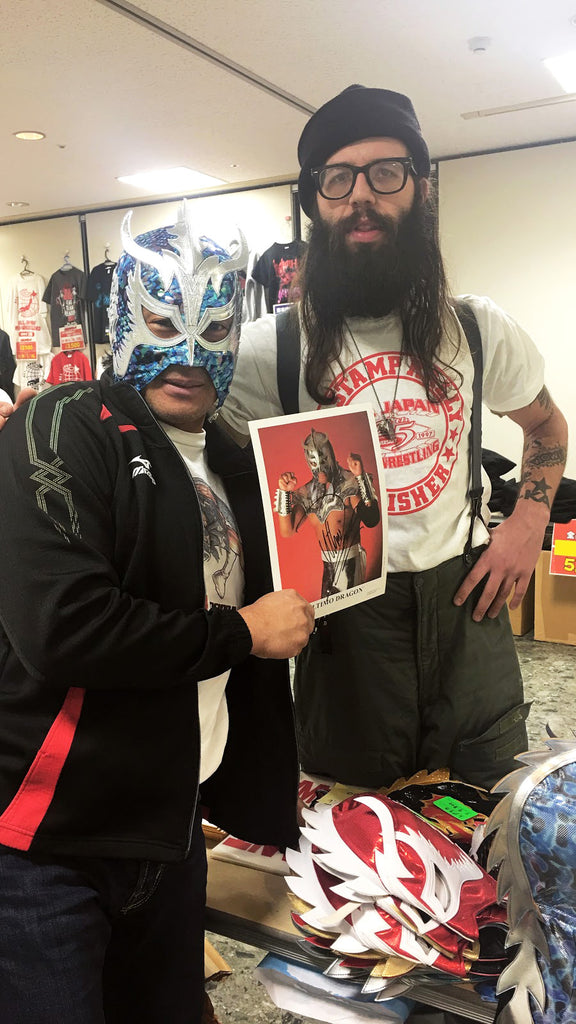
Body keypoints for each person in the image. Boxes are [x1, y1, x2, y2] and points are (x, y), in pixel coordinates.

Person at [0, 209, 314, 1023]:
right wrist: (243, 632)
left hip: (174, 826)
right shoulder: (60, 424)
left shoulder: (239, 460)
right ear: (120, 317)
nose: (186, 350)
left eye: (210, 324)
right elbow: (65, 627)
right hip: (54, 842)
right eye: (161, 320)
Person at [219, 84, 568, 792]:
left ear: (422, 187)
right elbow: (184, 453)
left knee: (489, 809)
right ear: (314, 200)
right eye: (337, 178)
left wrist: (529, 520)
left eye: (386, 173)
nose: (361, 198)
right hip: (345, 623)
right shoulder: (268, 350)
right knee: (355, 831)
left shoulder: (476, 328)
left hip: (470, 603)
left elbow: (546, 426)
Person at [275, 426, 380, 598]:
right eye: (315, 462)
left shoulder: (349, 483)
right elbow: (287, 531)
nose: (320, 468)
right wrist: (285, 492)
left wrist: (360, 477)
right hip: (327, 569)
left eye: (324, 460)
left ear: (330, 454)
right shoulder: (307, 493)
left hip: (350, 565)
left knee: (350, 616)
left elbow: (371, 519)